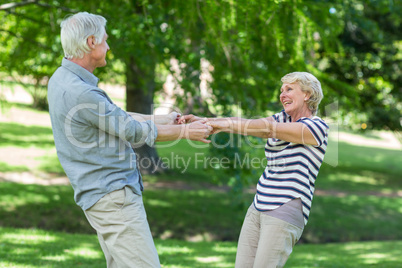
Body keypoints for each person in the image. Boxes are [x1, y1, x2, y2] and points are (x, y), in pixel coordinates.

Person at [47, 12, 212, 268]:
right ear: (91, 42)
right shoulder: (81, 92)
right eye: (105, 40)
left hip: (102, 195)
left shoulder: (62, 79)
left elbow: (114, 117)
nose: (108, 46)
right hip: (112, 197)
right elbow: (131, 131)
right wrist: (187, 133)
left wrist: (163, 119)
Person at [180, 72, 329, 267]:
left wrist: (218, 124)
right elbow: (250, 125)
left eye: (289, 89)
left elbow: (265, 130)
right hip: (258, 206)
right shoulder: (281, 118)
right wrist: (208, 121)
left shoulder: (317, 127)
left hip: (285, 207)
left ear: (307, 94)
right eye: (281, 90)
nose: (282, 94)